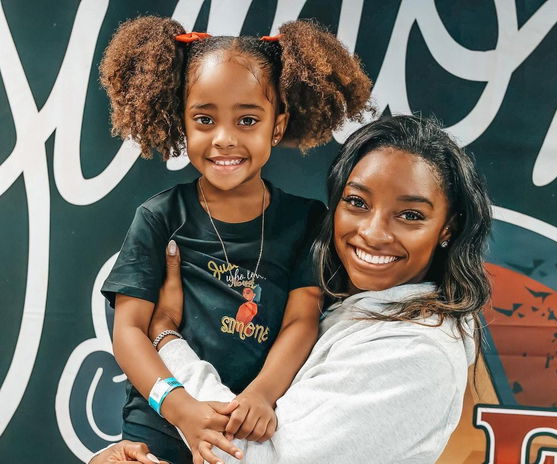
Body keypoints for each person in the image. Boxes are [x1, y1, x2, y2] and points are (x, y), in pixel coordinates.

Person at [92, 114, 492, 464]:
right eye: (357, 202)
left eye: (410, 215)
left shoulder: (414, 353)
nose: (373, 232)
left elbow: (245, 458)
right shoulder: (351, 306)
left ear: (448, 228)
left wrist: (164, 335)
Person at [98, 16, 372, 464]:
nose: (224, 139)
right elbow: (129, 332)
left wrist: (263, 395)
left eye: (247, 119)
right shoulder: (160, 216)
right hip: (161, 425)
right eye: (204, 119)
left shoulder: (306, 220)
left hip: (252, 427)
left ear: (277, 126)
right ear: (182, 123)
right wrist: (179, 407)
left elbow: (301, 320)